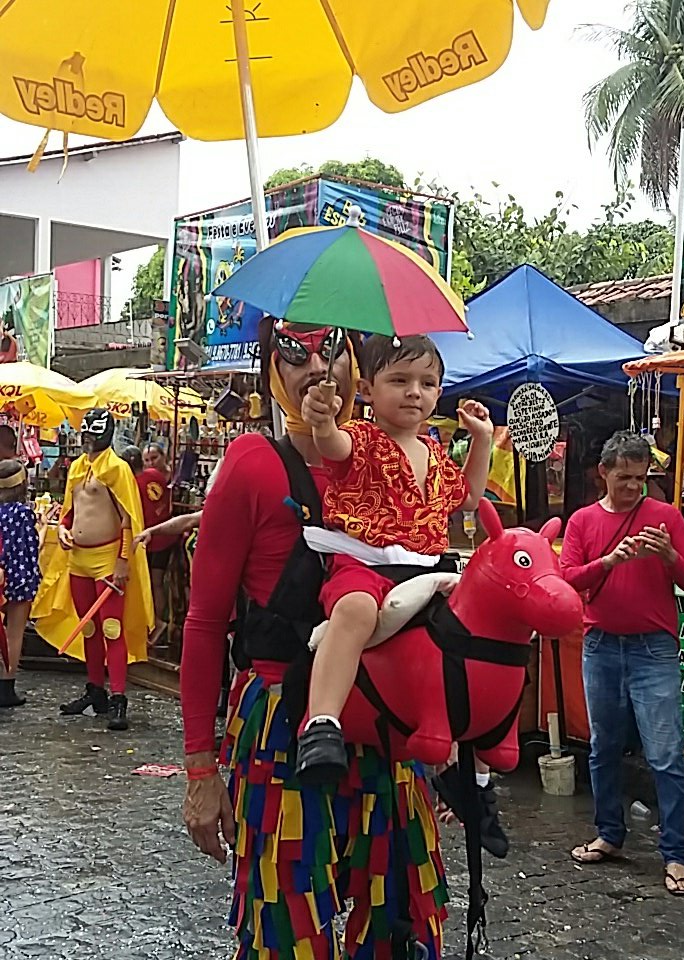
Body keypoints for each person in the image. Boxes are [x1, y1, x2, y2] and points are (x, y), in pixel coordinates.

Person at [181, 321, 452, 960]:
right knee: (288, 928)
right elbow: (204, 621)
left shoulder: (402, 459)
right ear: (273, 374)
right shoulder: (253, 462)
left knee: (403, 924)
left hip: (385, 730)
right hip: (284, 723)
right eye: (293, 354)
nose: (315, 368)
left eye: (331, 351)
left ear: (357, 367)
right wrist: (200, 770)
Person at [296, 334, 493, 783]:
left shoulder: (436, 454)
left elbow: (468, 497)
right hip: (365, 564)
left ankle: (475, 766)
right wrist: (322, 420)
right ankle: (322, 722)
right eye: (400, 380)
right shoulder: (361, 437)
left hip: (426, 569)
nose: (414, 392)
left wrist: (481, 439)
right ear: (367, 389)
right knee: (355, 608)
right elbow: (332, 445)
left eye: (427, 383)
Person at [560, 431, 684, 896]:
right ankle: (609, 834)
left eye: (640, 478)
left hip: (653, 648)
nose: (633, 487)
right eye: (624, 477)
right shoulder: (582, 520)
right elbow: (567, 578)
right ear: (603, 473)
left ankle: (676, 855)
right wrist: (607, 562)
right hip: (600, 644)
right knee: (603, 747)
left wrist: (669, 555)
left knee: (665, 754)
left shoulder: (666, 516)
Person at [32, 409, 153, 731]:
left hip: (107, 558)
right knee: (89, 628)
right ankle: (95, 689)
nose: (86, 440)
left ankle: (118, 697)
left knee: (112, 628)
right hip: (79, 560)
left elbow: (128, 517)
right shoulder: (76, 467)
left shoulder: (117, 469)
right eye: (84, 434)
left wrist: (123, 560)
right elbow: (70, 512)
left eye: (91, 435)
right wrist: (63, 530)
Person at [0, 459, 40, 708]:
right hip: (19, 577)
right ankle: (6, 687)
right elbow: (30, 548)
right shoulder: (23, 514)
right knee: (14, 633)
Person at [125, 443, 175, 645]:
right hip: (166, 534)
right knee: (158, 583)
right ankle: (158, 622)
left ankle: (154, 624)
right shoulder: (155, 475)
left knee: (149, 584)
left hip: (150, 539)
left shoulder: (133, 485)